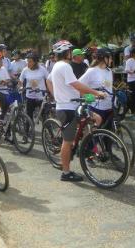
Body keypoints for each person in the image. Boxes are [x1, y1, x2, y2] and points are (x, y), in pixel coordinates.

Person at [46, 40, 105, 182]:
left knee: (97, 118)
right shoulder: (64, 66)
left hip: (73, 105)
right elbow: (77, 84)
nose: (71, 53)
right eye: (70, 51)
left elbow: (49, 81)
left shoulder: (58, 66)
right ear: (66, 53)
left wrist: (57, 94)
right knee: (67, 141)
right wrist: (96, 93)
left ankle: (83, 147)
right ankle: (66, 173)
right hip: (67, 108)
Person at [79, 48, 114, 128]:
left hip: (109, 107)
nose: (112, 60)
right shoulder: (92, 71)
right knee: (95, 136)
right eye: (110, 58)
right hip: (96, 108)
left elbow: (108, 86)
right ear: (104, 58)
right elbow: (78, 86)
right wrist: (90, 97)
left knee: (108, 137)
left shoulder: (109, 71)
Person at [19, 53, 48, 123]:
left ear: (35, 62)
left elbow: (48, 79)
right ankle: (28, 131)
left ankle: (46, 130)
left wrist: (48, 91)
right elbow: (20, 80)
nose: (28, 63)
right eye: (27, 61)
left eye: (30, 61)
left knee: (44, 115)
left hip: (41, 95)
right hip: (30, 95)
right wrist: (21, 87)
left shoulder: (42, 69)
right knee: (29, 115)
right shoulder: (25, 70)